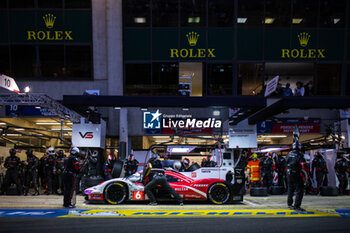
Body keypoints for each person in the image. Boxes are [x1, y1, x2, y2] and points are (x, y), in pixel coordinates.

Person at [286, 142, 306, 211]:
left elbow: (285, 163)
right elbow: (304, 165)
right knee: (300, 189)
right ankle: (297, 206)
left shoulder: (289, 154)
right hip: (296, 173)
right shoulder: (300, 155)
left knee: (290, 188)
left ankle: (289, 204)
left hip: (288, 173)